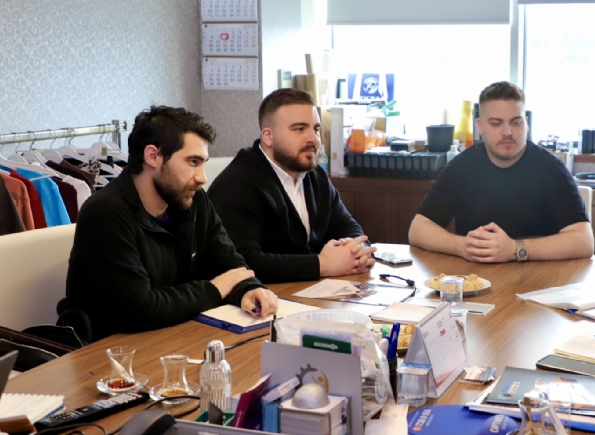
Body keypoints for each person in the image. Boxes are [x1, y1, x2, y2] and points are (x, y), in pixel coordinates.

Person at [59, 106, 278, 341]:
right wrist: (213, 289)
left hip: (174, 332)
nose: (202, 177)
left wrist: (248, 289)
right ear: (153, 156)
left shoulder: (193, 201)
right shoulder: (104, 213)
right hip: (111, 349)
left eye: (203, 163)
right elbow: (138, 309)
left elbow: (230, 265)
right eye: (193, 162)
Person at [408, 81, 594, 263]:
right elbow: (418, 229)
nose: (508, 132)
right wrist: (463, 246)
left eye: (516, 122)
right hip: (477, 276)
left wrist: (515, 249)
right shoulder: (461, 167)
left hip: (541, 277)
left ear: (526, 123)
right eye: (496, 123)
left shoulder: (551, 169)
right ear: (480, 127)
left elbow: (584, 241)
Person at [208, 89, 374, 283]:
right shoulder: (237, 184)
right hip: (261, 296)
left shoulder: (315, 175)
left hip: (309, 290)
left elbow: (347, 226)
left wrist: (357, 251)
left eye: (316, 129)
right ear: (268, 137)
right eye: (299, 129)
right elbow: (242, 262)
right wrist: (323, 264)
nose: (313, 139)